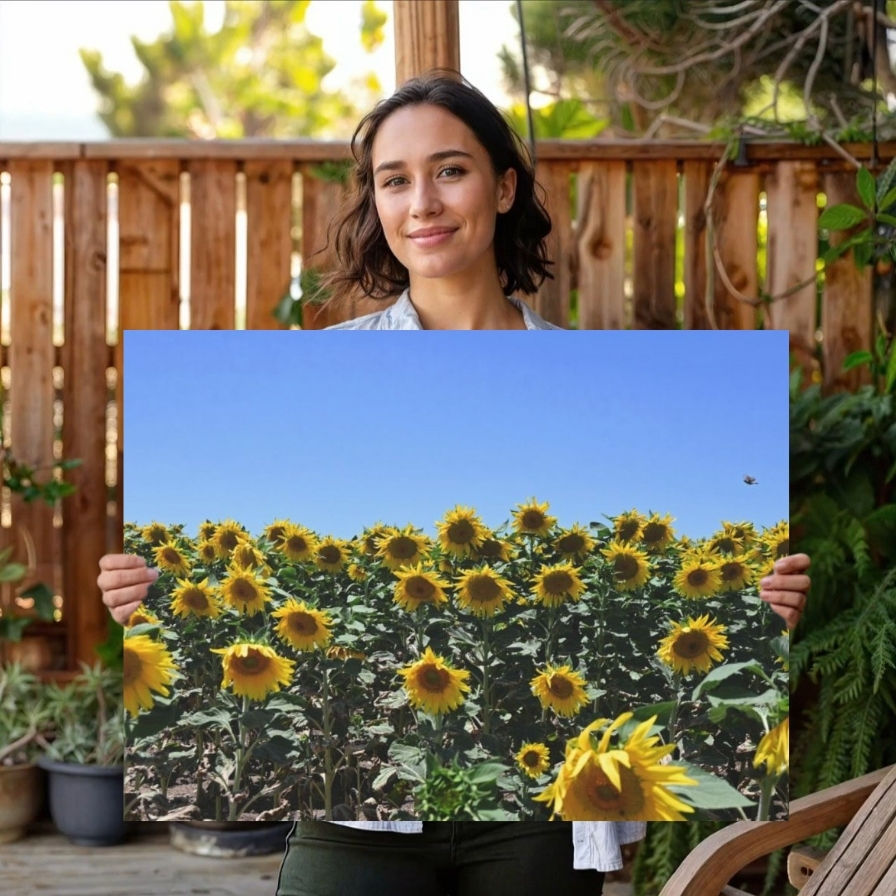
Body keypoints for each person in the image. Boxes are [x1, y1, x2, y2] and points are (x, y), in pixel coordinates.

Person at [99, 72, 811, 896]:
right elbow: (266, 578)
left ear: (503, 186)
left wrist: (748, 609)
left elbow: (635, 602)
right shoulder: (317, 381)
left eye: (450, 170)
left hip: (534, 815)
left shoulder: (601, 393)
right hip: (355, 808)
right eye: (394, 180)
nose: (422, 203)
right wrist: (153, 592)